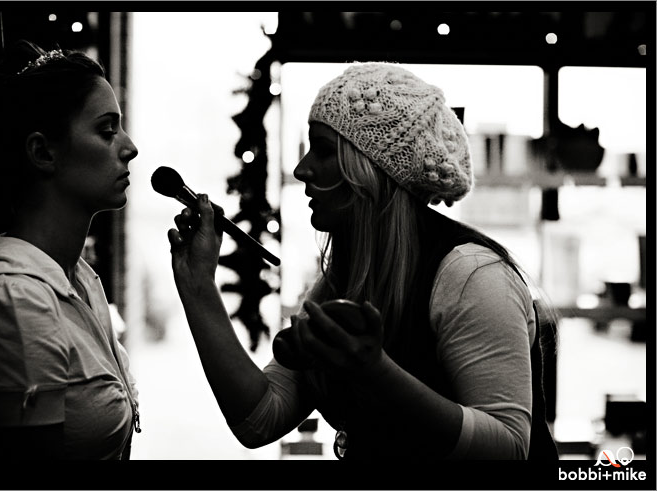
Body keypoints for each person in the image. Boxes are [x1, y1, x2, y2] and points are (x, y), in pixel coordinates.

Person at [167, 62, 558, 460]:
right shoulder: (341, 281)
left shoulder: (470, 276)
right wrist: (197, 285)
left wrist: (376, 371)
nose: (302, 169)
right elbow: (259, 419)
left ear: (372, 168)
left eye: (323, 150)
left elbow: (509, 449)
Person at [0, 40, 140, 460]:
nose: (129, 147)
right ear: (43, 152)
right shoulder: (15, 297)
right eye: (107, 131)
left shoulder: (80, 278)